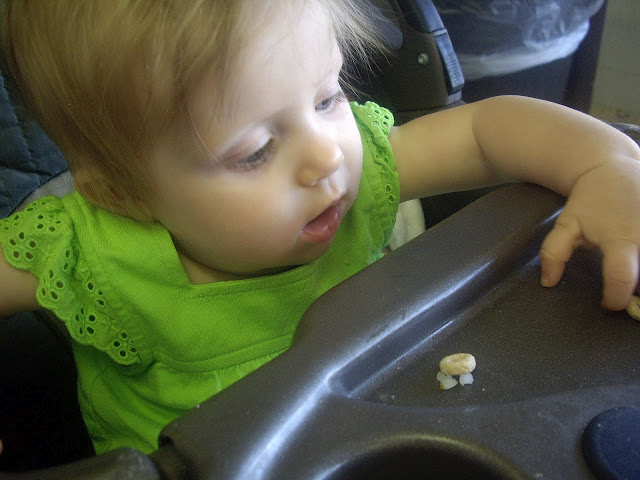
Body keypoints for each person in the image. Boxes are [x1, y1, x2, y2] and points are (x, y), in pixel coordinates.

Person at [1, 0, 639, 456]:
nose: (328, 154)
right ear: (122, 193)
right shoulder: (90, 255)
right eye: (255, 151)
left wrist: (606, 164)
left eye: (327, 97)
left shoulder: (351, 173)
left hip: (367, 425)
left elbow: (483, 128)